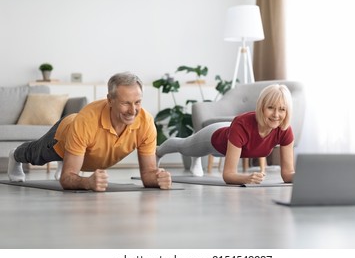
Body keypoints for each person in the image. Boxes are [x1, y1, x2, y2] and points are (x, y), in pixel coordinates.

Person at [7, 72, 172, 191]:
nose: (133, 110)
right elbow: (67, 179)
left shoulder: (146, 122)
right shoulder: (86, 121)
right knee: (35, 155)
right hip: (64, 134)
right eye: (125, 103)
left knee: (71, 161)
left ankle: (70, 159)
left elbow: (148, 174)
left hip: (81, 144)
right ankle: (15, 155)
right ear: (110, 100)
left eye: (137, 102)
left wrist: (158, 178)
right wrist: (87, 183)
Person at [156, 84, 295, 185]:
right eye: (270, 108)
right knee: (185, 145)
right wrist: (245, 178)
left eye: (282, 109)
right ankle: (158, 151)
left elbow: (287, 175)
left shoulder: (284, 129)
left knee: (191, 148)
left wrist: (306, 178)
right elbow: (228, 175)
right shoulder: (243, 124)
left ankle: (195, 158)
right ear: (261, 107)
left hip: (231, 132)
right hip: (213, 138)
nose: (276, 115)